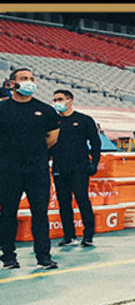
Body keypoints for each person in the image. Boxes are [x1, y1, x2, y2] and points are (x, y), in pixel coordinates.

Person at [0, 68, 60, 270]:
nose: (29, 82)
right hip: (8, 171)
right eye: (24, 78)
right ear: (12, 83)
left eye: (32, 79)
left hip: (37, 171)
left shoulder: (46, 110)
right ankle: (8, 256)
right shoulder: (2, 108)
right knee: (8, 213)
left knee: (40, 213)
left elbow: (52, 138)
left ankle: (43, 256)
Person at [49, 89, 100, 248]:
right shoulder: (52, 121)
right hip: (59, 167)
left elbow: (95, 143)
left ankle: (88, 235)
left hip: (79, 168)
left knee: (82, 200)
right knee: (64, 203)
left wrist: (95, 162)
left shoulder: (84, 120)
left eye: (60, 99)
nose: (57, 102)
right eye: (55, 99)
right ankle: (69, 236)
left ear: (70, 100)